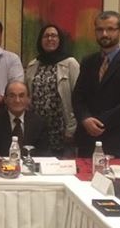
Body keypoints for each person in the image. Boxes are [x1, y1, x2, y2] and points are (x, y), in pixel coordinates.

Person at [72, 11, 120, 159]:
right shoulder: (88, 61)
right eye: (100, 29)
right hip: (87, 139)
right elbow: (78, 96)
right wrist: (85, 119)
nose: (104, 34)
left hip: (116, 139)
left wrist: (100, 122)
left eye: (110, 29)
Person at [25, 24, 80, 156]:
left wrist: (71, 128)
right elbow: (27, 96)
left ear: (60, 39)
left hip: (61, 127)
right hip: (38, 128)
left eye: (54, 36)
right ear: (40, 40)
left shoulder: (70, 63)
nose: (50, 39)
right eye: (46, 36)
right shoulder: (33, 65)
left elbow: (78, 97)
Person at [0, 81, 48, 156]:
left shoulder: (39, 123)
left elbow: (44, 155)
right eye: (12, 96)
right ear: (5, 99)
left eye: (21, 96)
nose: (17, 100)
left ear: (28, 99)